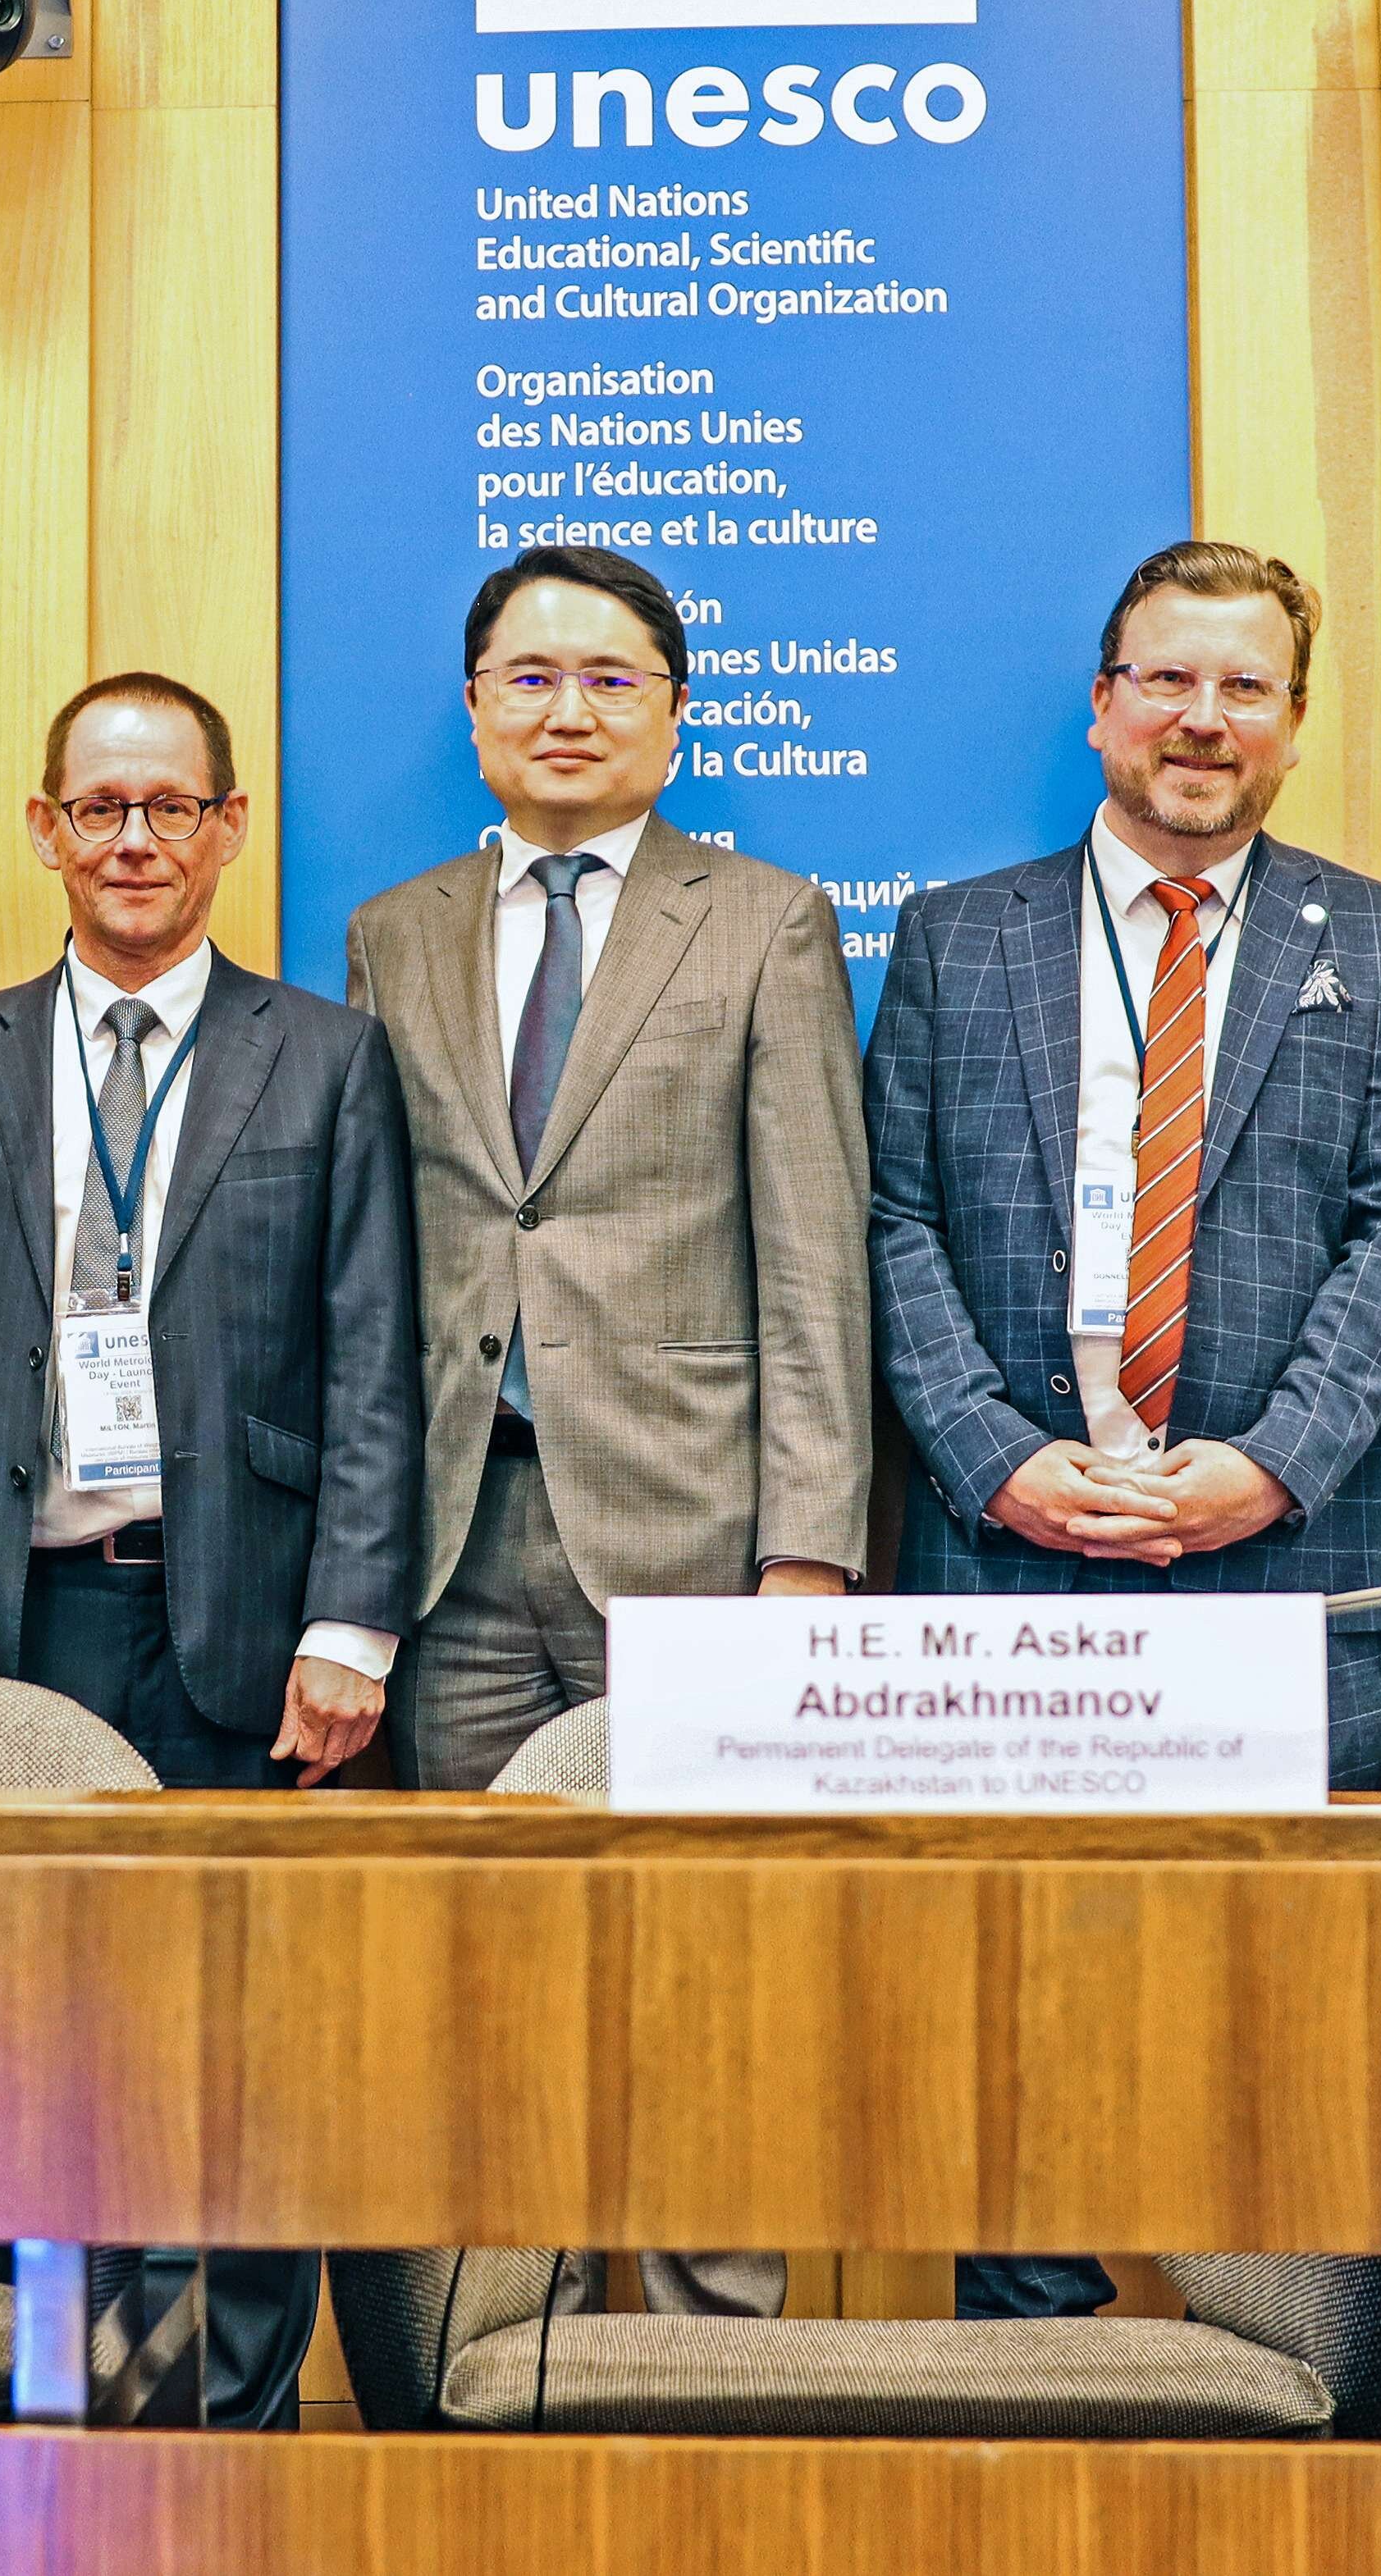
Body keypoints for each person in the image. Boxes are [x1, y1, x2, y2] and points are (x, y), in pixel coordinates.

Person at [857, 539, 1381, 2345]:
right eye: (1168, 678)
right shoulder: (957, 934)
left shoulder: (1376, 937)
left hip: (1281, 1566)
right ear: (1102, 703)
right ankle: (1024, 2407)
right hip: (1007, 1564)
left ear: (1294, 721)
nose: (1203, 717)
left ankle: (1299, 2414)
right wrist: (991, 1455)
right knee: (1008, 2028)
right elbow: (888, 1218)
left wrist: (1272, 1461)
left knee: (1285, 2034)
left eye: (1243, 685)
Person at [0, 671, 419, 2428]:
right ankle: (64, 2411)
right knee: (33, 2043)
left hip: (246, 1626)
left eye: (168, 805)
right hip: (15, 1625)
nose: (131, 838)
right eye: (98, 806)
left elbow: (375, 1353)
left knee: (240, 2044)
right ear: (45, 826)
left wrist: (352, 1624)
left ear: (226, 826)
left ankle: (229, 2430)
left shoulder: (323, 1055)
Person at [345, 544, 867, 2327]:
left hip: (693, 1538)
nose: (566, 709)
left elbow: (814, 1249)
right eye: (529, 676)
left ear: (673, 710)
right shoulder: (394, 930)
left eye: (608, 677)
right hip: (454, 1540)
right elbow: (382, 1251)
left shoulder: (762, 916)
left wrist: (807, 1551)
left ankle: (720, 2364)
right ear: (473, 706)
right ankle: (516, 2351)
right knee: (489, 1973)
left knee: (709, 1968)